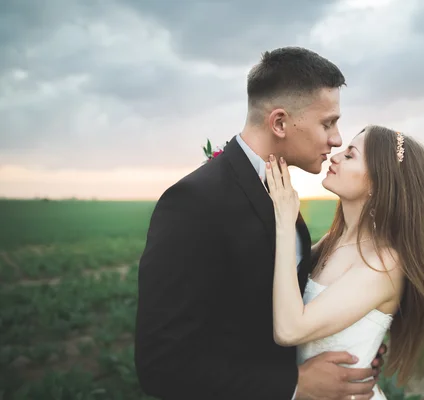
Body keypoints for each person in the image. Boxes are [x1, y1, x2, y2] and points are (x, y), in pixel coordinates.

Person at [134, 47, 387, 400]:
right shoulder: (194, 203)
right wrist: (295, 384)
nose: (336, 139)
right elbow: (162, 365)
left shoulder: (279, 191)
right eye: (327, 123)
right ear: (279, 123)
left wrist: (356, 342)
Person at [265, 125, 424, 399]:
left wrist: (283, 219)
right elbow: (280, 282)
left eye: (350, 155)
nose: (335, 157)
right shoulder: (333, 240)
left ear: (378, 182)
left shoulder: (383, 262)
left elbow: (290, 329)